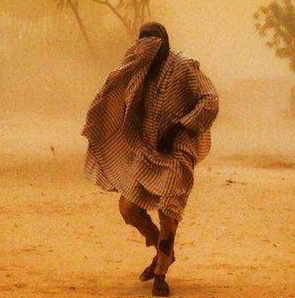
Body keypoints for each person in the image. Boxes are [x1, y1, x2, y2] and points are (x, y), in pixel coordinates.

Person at [82, 22, 219, 296]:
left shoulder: (185, 66)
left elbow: (210, 100)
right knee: (129, 209)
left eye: (154, 40)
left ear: (164, 41)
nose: (149, 45)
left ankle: (160, 275)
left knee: (169, 211)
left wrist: (180, 127)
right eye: (144, 40)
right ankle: (161, 250)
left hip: (178, 152)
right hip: (146, 151)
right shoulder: (137, 68)